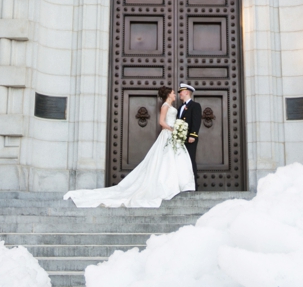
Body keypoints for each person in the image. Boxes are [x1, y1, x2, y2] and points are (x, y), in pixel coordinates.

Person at [64, 86, 195, 208]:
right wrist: (172, 128)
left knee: (174, 158)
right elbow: (161, 122)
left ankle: (179, 184)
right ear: (168, 95)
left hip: (173, 135)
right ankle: (167, 185)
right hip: (168, 133)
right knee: (165, 159)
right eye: (172, 92)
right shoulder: (165, 106)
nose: (175, 94)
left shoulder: (173, 106)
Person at [177, 83, 202, 181]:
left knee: (190, 160)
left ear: (187, 92)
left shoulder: (195, 105)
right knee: (182, 161)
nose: (180, 94)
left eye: (181, 92)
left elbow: (196, 121)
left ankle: (194, 186)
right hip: (180, 139)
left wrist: (193, 135)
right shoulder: (180, 108)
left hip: (190, 138)